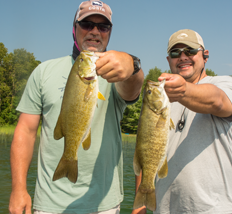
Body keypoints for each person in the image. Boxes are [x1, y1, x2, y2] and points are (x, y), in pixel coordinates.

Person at [8, 1, 144, 214]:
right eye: (87, 24)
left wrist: (133, 66)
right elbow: (25, 131)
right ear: (74, 28)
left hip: (104, 205)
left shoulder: (118, 74)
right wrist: (18, 189)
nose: (95, 31)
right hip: (49, 204)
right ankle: (68, 161)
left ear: (109, 32)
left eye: (103, 26)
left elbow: (133, 88)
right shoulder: (43, 72)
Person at [132, 29, 232, 214]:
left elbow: (217, 101)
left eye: (190, 51)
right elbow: (147, 148)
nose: (183, 57)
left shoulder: (225, 84)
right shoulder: (162, 102)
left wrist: (183, 90)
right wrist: (140, 206)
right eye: (175, 53)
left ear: (205, 56)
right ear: (169, 61)